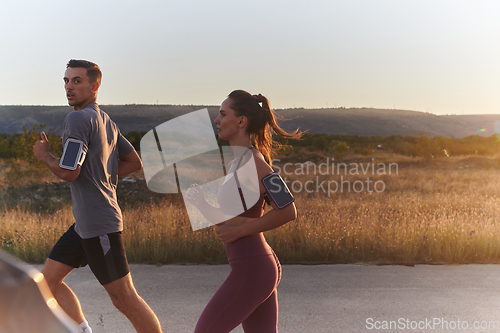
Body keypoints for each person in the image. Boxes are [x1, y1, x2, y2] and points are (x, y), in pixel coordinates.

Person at [33, 59, 163, 333]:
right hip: (84, 225)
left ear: (95, 86)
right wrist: (101, 176)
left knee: (124, 298)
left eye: (77, 81)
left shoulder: (78, 118)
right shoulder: (105, 120)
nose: (69, 87)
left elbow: (69, 172)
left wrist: (45, 156)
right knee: (46, 283)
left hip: (99, 225)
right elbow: (133, 161)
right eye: (66, 81)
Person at [187, 90, 303, 333]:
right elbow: (229, 221)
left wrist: (241, 230)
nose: (216, 121)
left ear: (241, 121)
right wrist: (201, 204)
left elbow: (288, 210)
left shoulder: (256, 162)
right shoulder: (235, 163)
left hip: (253, 269)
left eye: (222, 114)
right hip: (255, 267)